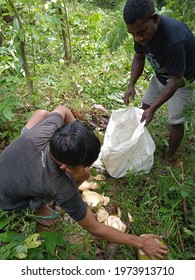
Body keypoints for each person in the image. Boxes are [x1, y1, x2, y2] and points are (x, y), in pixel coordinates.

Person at [0, 105, 168, 259]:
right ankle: (37, 208)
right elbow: (94, 227)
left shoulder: (47, 131)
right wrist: (140, 242)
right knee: (82, 176)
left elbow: (63, 109)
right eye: (85, 165)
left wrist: (76, 141)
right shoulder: (60, 186)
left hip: (13, 163)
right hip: (8, 201)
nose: (88, 168)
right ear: (65, 166)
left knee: (42, 114)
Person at [123, 0, 195, 161]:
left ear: (154, 19)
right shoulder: (139, 30)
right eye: (133, 34)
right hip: (162, 74)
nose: (138, 38)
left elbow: (176, 80)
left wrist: (155, 108)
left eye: (141, 32)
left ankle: (169, 158)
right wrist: (131, 85)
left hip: (183, 81)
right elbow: (139, 57)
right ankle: (135, 141)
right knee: (144, 107)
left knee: (175, 122)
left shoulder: (174, 39)